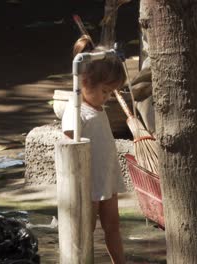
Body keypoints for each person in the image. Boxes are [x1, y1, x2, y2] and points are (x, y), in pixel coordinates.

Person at [62, 35, 126, 264]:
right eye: (105, 92)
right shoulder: (75, 111)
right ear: (85, 82)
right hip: (88, 182)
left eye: (110, 93)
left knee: (113, 226)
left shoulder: (95, 105)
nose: (107, 98)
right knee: (84, 230)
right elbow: (69, 144)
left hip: (105, 175)